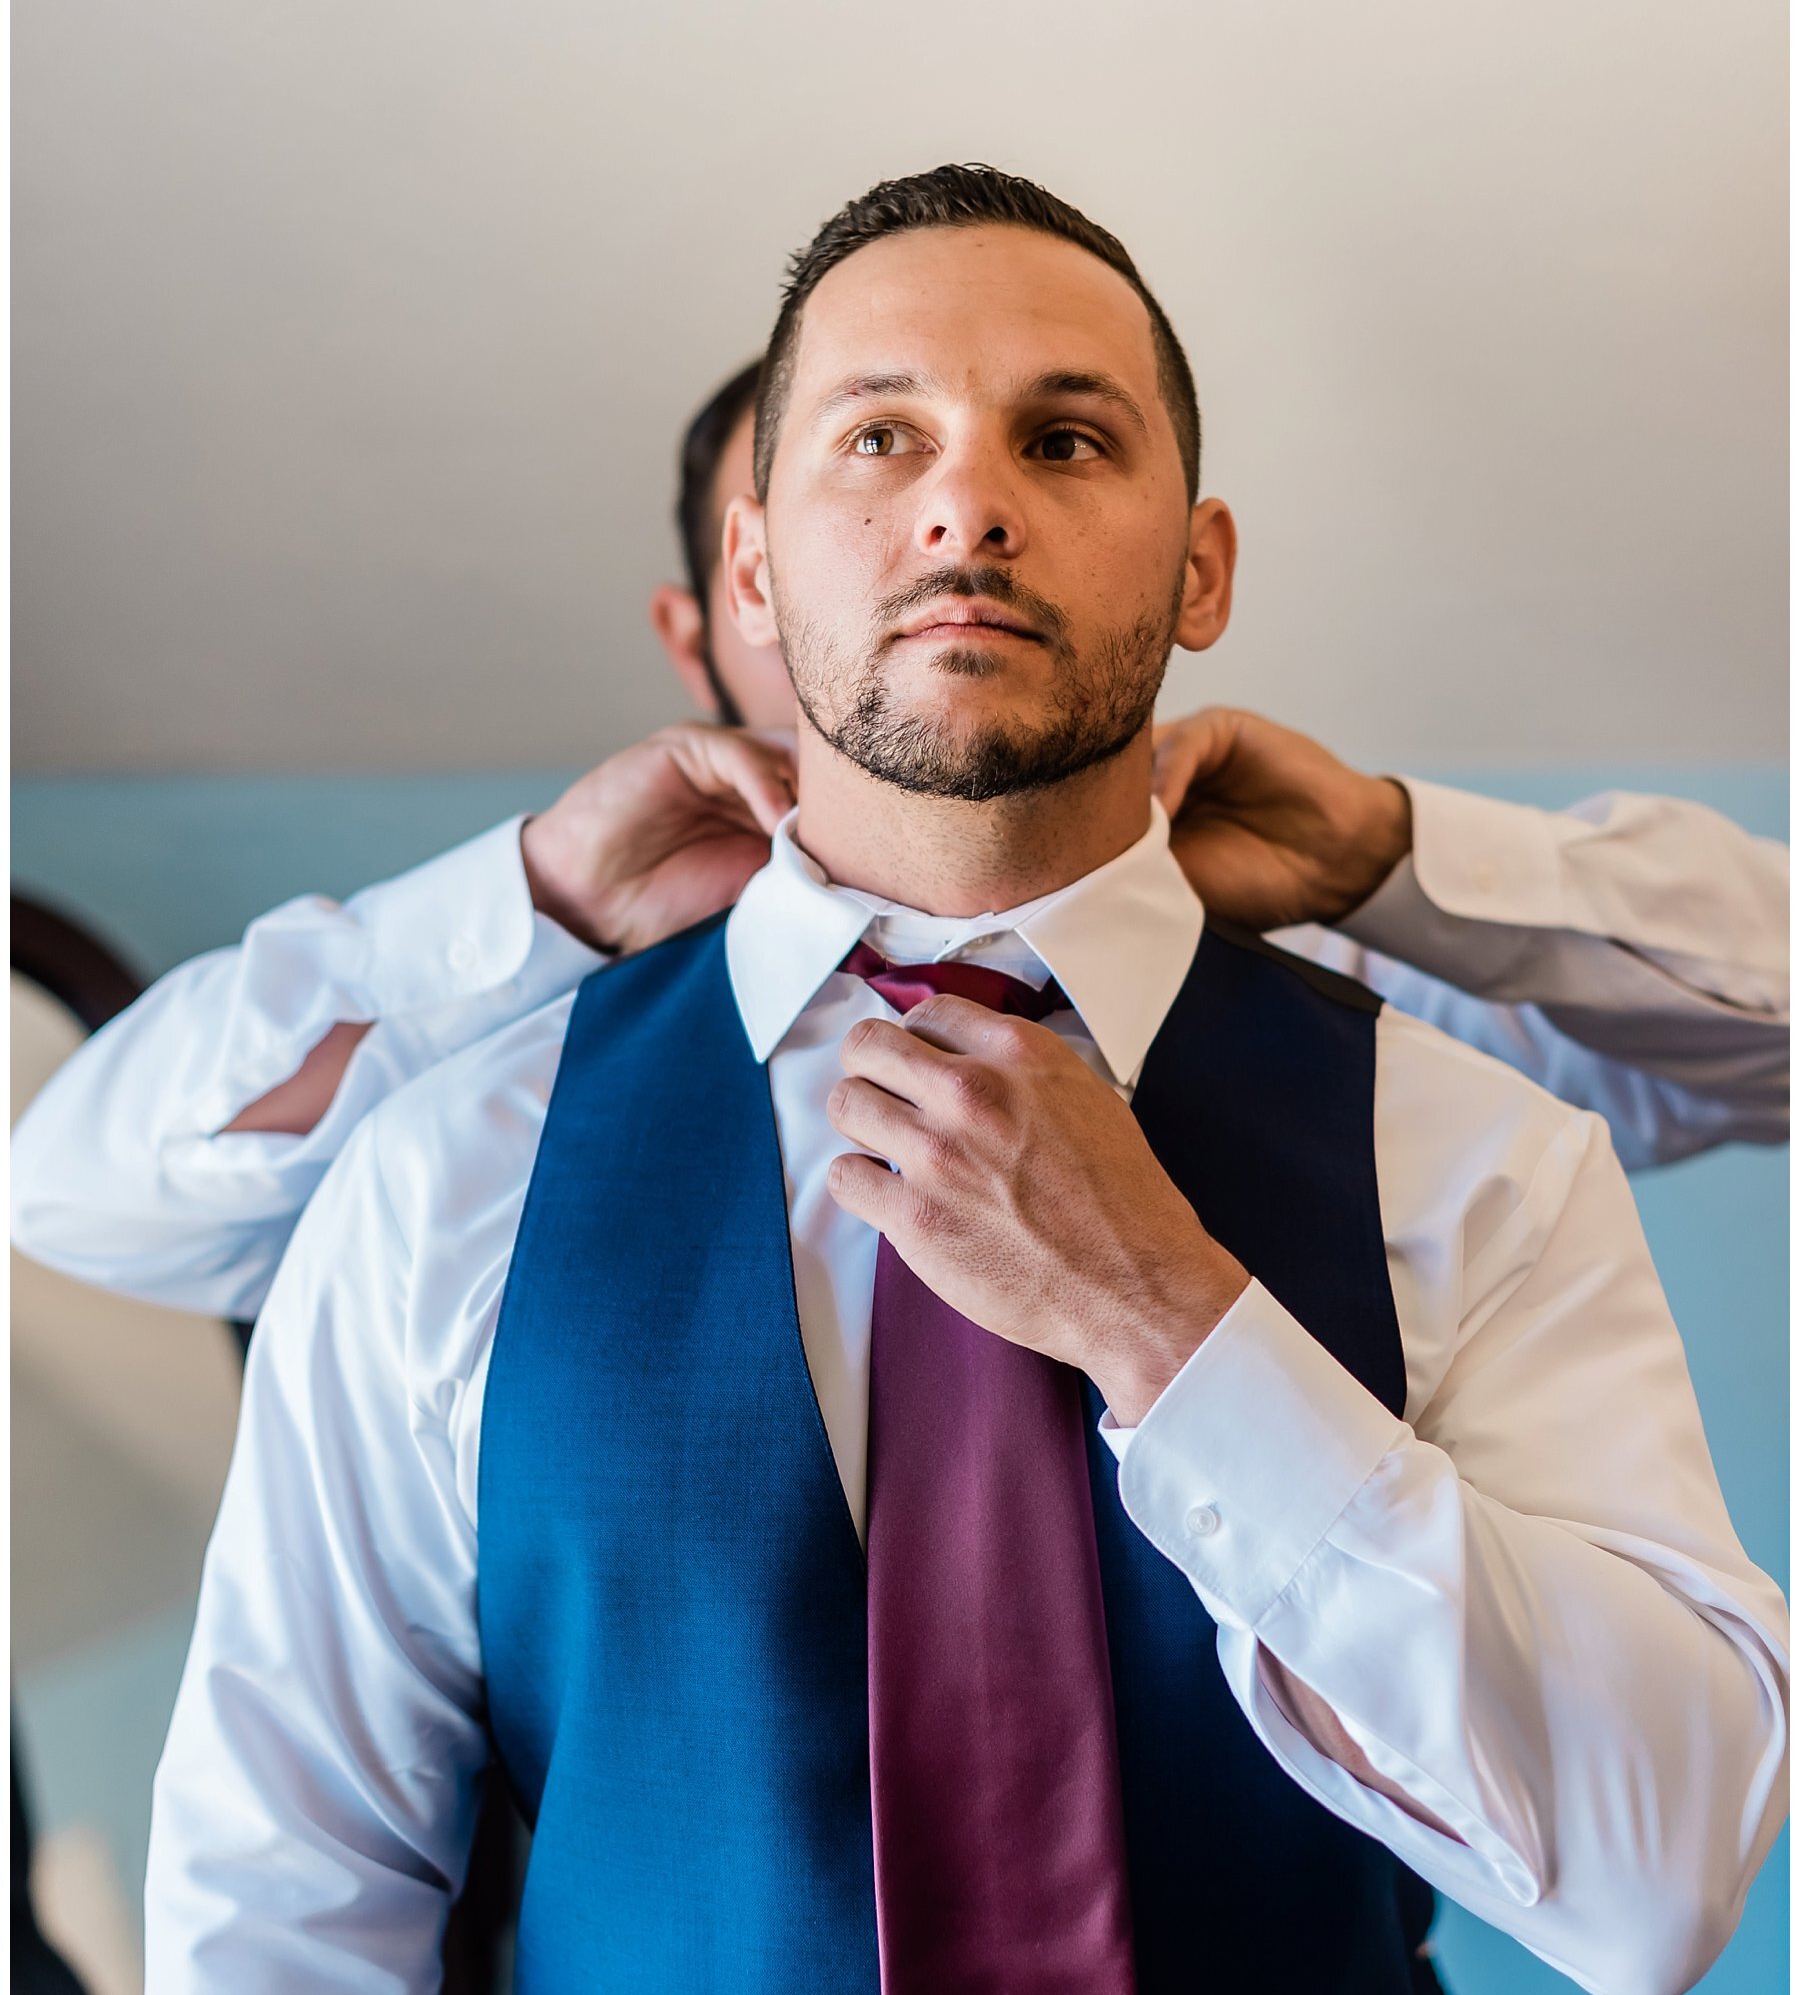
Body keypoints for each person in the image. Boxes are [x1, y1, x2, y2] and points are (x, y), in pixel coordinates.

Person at [115, 164, 1787, 1995]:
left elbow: (1667, 1860)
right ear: (752, 566)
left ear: (1200, 574)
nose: (966, 505)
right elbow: (295, 1905)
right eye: (878, 437)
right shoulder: (446, 1184)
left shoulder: (1470, 1156)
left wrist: (1181, 1333)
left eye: (1067, 438)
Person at [9, 393, 1788, 1321]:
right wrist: (530, 909)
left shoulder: (1336, 988)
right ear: (731, 597)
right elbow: (77, 1197)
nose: (934, 540)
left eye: (1030, 455)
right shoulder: (518, 1053)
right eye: (853, 478)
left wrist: (1397, 859)